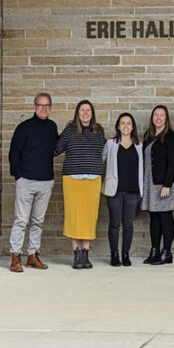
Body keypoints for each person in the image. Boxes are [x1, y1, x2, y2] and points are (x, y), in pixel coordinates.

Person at [6, 92, 59, 272]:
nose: (44, 108)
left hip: (46, 181)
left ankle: (32, 256)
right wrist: (18, 176)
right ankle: (15, 257)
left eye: (47, 106)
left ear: (50, 108)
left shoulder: (52, 127)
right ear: (35, 107)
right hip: (26, 180)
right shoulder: (24, 127)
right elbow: (14, 153)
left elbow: (56, 147)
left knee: (38, 220)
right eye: (40, 105)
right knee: (21, 220)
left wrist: (70, 130)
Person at [54, 99, 106, 268]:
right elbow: (56, 149)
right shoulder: (70, 130)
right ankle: (76, 254)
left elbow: (104, 152)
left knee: (89, 216)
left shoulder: (99, 130)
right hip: (72, 179)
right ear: (77, 113)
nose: (85, 114)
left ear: (92, 113)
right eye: (82, 110)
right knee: (74, 215)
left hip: (93, 179)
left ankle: (86, 253)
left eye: (88, 111)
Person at [101, 112, 144, 267]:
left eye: (129, 123)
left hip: (133, 190)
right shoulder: (111, 143)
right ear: (118, 126)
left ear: (133, 127)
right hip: (115, 190)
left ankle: (125, 253)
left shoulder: (139, 145)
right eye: (122, 123)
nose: (126, 126)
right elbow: (101, 159)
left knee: (128, 224)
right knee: (114, 223)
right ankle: (114, 254)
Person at [141, 104, 174, 264]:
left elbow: (172, 162)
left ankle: (167, 252)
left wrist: (167, 185)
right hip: (150, 183)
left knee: (165, 216)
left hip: (164, 184)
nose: (158, 118)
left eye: (162, 115)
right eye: (156, 115)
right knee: (154, 217)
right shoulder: (148, 135)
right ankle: (155, 250)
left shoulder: (171, 137)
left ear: (166, 118)